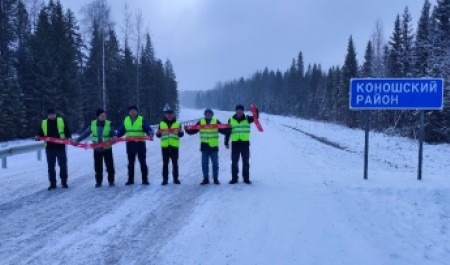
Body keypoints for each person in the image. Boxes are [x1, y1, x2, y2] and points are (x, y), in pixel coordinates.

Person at [73, 109, 116, 188]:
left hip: (107, 149)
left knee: (110, 166)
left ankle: (111, 181)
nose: (103, 117)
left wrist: (114, 137)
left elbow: (113, 133)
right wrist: (77, 140)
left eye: (104, 115)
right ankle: (98, 182)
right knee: (98, 167)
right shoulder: (93, 124)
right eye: (102, 115)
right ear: (98, 116)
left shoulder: (109, 123)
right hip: (97, 149)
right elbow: (85, 134)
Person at [185, 108, 229, 185]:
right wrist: (187, 130)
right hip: (204, 147)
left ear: (212, 114)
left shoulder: (216, 121)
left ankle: (215, 178)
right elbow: (193, 131)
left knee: (215, 164)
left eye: (210, 113)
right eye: (207, 113)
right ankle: (205, 178)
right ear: (205, 115)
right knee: (204, 164)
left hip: (213, 147)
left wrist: (229, 128)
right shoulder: (201, 122)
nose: (208, 115)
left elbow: (223, 131)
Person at [114, 105, 153, 185]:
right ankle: (130, 180)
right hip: (130, 144)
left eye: (134, 111)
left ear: (137, 111)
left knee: (142, 162)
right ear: (129, 112)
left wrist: (150, 133)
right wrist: (116, 135)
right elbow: (121, 130)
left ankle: (145, 180)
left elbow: (147, 128)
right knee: (130, 163)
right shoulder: (126, 120)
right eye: (131, 111)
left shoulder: (141, 119)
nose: (132, 112)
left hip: (140, 144)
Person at [35, 108, 72, 190]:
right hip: (49, 148)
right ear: (47, 115)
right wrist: (37, 136)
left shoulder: (61, 120)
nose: (52, 116)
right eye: (50, 115)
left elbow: (67, 131)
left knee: (63, 165)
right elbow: (40, 133)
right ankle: (52, 184)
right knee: (51, 167)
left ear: (55, 114)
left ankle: (64, 182)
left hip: (60, 147)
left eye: (53, 114)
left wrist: (68, 137)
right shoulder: (44, 123)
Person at [225, 104, 258, 185]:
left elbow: (256, 117)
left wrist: (255, 110)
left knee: (245, 161)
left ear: (243, 111)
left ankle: (246, 178)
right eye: (238, 110)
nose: (239, 111)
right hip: (235, 143)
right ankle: (234, 179)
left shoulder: (247, 119)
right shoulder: (231, 120)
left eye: (241, 110)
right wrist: (226, 141)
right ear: (236, 111)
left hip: (245, 143)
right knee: (234, 162)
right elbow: (228, 132)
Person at [156, 105, 184, 185]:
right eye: (168, 114)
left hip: (174, 146)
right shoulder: (161, 124)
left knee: (175, 163)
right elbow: (158, 135)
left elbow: (181, 135)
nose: (169, 116)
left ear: (173, 115)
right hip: (165, 146)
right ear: (165, 115)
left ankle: (176, 179)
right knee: (165, 164)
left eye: (171, 114)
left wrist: (181, 132)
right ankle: (165, 180)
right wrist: (157, 133)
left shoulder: (177, 123)